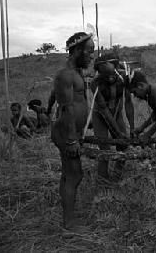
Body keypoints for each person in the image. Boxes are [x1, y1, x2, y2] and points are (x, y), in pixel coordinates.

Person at [50, 32, 95, 233]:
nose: (92, 56)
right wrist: (71, 140)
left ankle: (68, 218)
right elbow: (66, 108)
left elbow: (78, 102)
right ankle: (69, 225)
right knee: (74, 175)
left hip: (72, 133)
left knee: (69, 175)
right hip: (66, 134)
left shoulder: (76, 73)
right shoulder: (65, 75)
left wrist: (87, 120)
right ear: (77, 51)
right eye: (89, 52)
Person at [91, 53, 134, 182]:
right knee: (104, 150)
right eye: (105, 75)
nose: (109, 78)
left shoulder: (124, 77)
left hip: (117, 114)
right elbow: (104, 110)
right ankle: (102, 180)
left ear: (116, 68)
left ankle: (116, 177)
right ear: (99, 73)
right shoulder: (95, 83)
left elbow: (128, 103)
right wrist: (118, 133)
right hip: (100, 116)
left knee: (123, 147)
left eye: (111, 74)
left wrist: (132, 128)